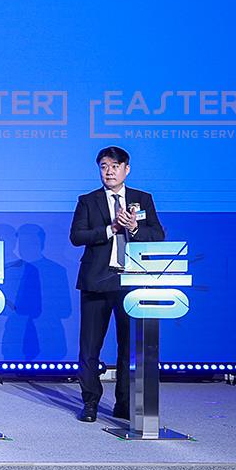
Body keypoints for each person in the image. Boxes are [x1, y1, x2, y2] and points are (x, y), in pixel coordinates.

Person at [69, 145, 165, 422]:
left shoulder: (142, 199)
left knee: (128, 346)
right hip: (97, 281)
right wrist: (111, 229)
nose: (109, 171)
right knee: (90, 348)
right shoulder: (88, 201)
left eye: (114, 166)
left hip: (132, 282)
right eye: (104, 166)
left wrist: (133, 228)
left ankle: (123, 402)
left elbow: (157, 234)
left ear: (126, 169)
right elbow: (77, 236)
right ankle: (90, 402)